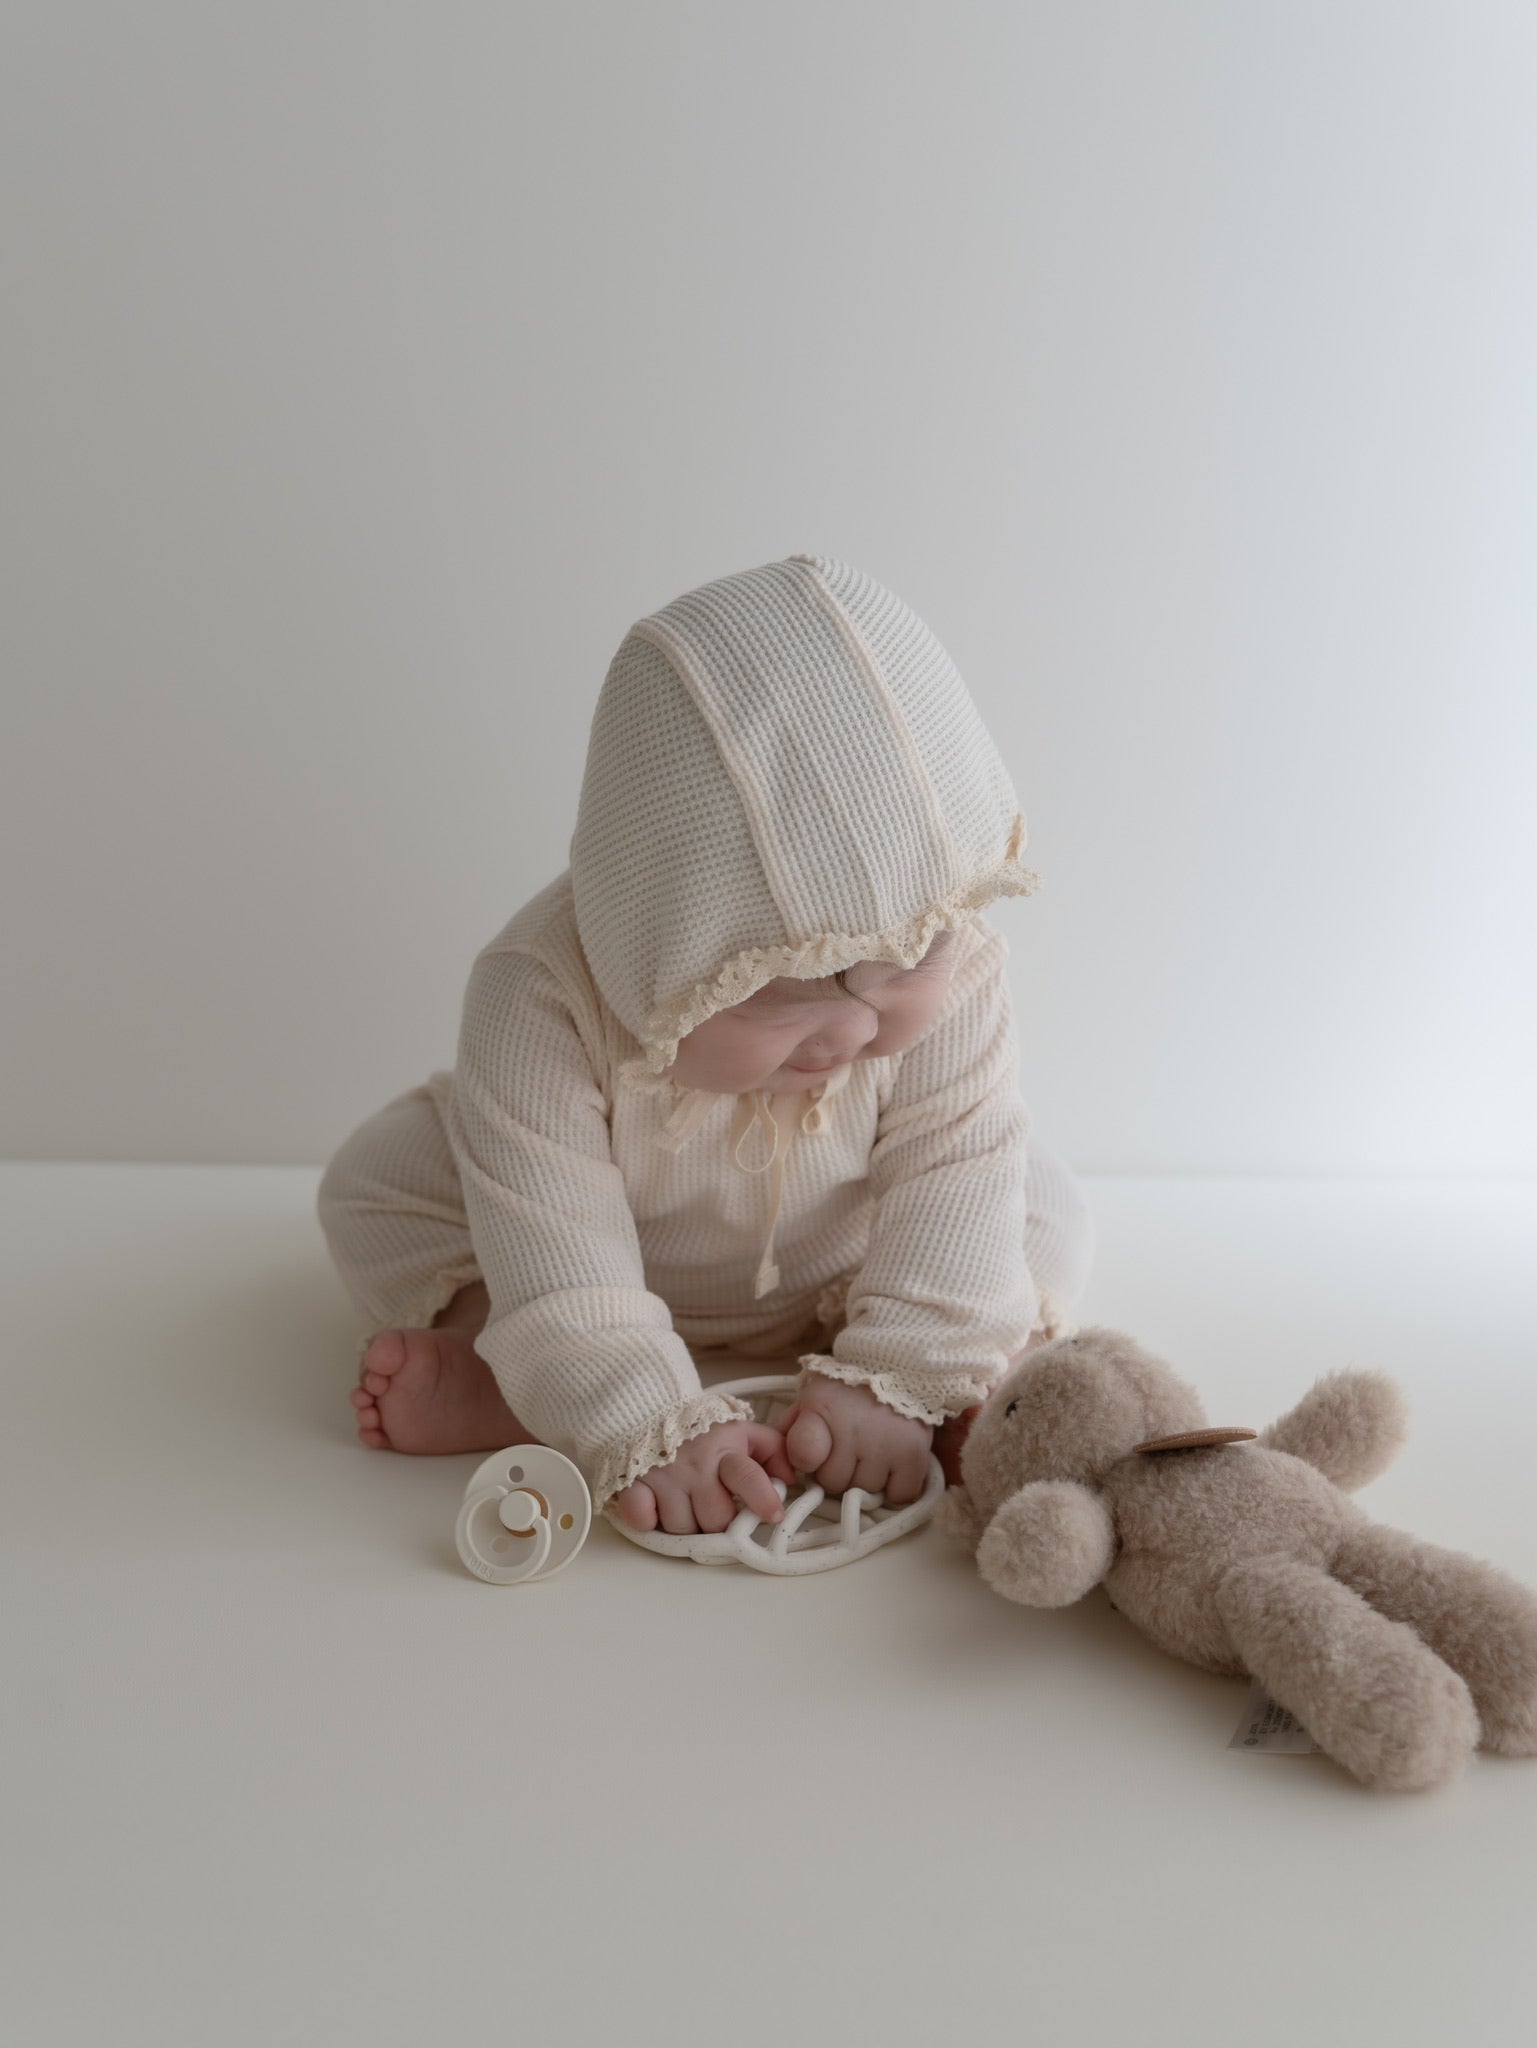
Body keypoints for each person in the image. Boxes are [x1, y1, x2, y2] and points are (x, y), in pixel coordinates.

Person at [316, 553, 1095, 1536]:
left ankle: (970, 1369)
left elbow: (954, 1165)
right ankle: (514, 1361)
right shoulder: (538, 995)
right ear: (657, 950)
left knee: (1031, 1196)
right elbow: (548, 1223)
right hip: (591, 1253)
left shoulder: (959, 956)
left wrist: (900, 1374)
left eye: (911, 961)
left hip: (849, 1256)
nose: (857, 1028)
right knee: (374, 1184)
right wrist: (635, 1414)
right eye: (783, 992)